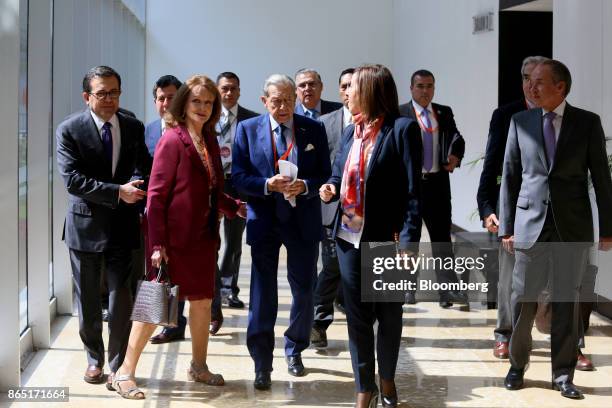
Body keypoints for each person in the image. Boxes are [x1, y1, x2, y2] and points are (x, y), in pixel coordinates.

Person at [112, 74, 246, 399]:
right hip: (171, 243)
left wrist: (233, 206)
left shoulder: (209, 139)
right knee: (154, 307)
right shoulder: (172, 140)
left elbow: (211, 188)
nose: (202, 107)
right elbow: (156, 197)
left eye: (208, 103)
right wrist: (157, 245)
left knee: (201, 304)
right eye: (196, 101)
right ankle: (124, 373)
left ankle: (198, 366)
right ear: (183, 103)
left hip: (202, 240)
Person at [499, 60, 612, 399]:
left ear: (560, 87)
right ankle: (517, 365)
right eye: (529, 82)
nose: (530, 88)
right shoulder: (520, 121)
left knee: (566, 301)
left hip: (572, 227)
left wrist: (607, 228)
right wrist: (507, 227)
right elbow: (511, 176)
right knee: (523, 300)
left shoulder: (587, 123)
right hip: (529, 226)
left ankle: (563, 374)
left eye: (538, 82)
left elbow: (602, 180)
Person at [320, 64, 422, 408]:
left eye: (354, 88)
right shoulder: (352, 133)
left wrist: (408, 242)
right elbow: (339, 171)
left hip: (386, 240)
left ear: (372, 92)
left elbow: (413, 192)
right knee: (358, 318)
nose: (347, 94)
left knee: (389, 315)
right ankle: (365, 386)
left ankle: (388, 380)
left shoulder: (403, 130)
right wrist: (331, 187)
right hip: (349, 238)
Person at [232, 74, 331, 390]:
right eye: (277, 100)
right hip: (265, 218)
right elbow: (238, 177)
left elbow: (326, 174)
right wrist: (265, 184)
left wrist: (306, 186)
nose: (285, 105)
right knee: (263, 293)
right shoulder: (247, 130)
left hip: (302, 218)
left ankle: (295, 349)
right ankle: (262, 363)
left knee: (304, 290)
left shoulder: (312, 129)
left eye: (289, 99)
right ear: (264, 101)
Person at [56, 65, 151, 387]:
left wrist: (137, 184)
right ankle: (93, 359)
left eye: (114, 92)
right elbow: (73, 180)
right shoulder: (69, 129)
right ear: (87, 97)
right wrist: (117, 192)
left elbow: (144, 166)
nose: (109, 99)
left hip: (123, 227)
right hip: (85, 227)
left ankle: (116, 363)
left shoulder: (133, 127)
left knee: (121, 299)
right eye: (102, 93)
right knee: (88, 301)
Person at [477, 56, 547, 359]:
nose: (530, 85)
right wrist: (486, 206)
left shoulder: (563, 116)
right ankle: (504, 333)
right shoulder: (507, 115)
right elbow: (492, 162)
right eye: (525, 77)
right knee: (509, 278)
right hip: (514, 209)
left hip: (554, 211)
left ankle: (569, 341)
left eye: (537, 78)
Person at [399, 70, 466, 308]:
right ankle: (407, 288)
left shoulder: (443, 112)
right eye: (420, 86)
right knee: (409, 238)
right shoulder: (400, 113)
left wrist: (455, 154)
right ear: (411, 88)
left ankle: (447, 291)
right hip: (410, 187)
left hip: (437, 184)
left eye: (429, 86)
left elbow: (457, 137)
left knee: (441, 239)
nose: (425, 91)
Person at [209, 71, 259, 335]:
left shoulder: (251, 119)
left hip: (238, 185)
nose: (229, 93)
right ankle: (214, 287)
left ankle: (229, 289)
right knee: (210, 240)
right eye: (224, 89)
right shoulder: (208, 116)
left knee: (234, 240)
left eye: (233, 89)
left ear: (239, 91)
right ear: (218, 91)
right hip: (213, 186)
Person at [143, 75, 190, 346]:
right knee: (158, 269)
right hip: (154, 211)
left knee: (178, 271)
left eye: (172, 97)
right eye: (161, 98)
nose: (166, 103)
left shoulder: (190, 132)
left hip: (182, 213)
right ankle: (164, 321)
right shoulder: (148, 130)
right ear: (155, 102)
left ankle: (175, 323)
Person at [311, 67, 354, 349]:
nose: (349, 90)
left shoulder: (381, 125)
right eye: (345, 86)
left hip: (364, 211)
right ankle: (318, 320)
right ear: (339, 91)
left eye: (354, 85)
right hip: (332, 208)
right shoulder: (325, 123)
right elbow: (317, 166)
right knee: (332, 265)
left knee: (354, 268)